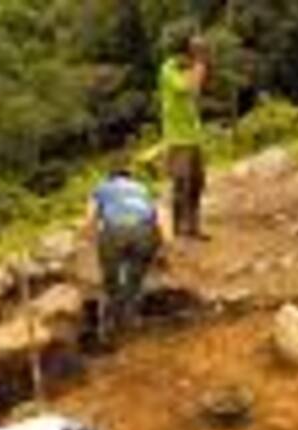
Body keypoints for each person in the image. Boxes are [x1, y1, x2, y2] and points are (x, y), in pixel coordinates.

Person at [85, 166, 162, 340]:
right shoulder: (142, 188)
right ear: (130, 177)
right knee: (135, 278)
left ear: (110, 177)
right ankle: (133, 318)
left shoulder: (102, 187)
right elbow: (155, 215)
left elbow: (90, 215)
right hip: (144, 232)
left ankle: (110, 325)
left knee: (111, 280)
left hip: (115, 232)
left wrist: (89, 235)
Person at [159, 28, 208, 240]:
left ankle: (193, 227)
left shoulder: (187, 67)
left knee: (197, 182)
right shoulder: (168, 69)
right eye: (191, 52)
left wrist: (197, 65)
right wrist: (199, 64)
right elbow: (189, 88)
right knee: (181, 183)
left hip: (193, 135)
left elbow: (194, 91)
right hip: (177, 137)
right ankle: (179, 231)